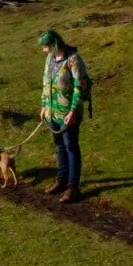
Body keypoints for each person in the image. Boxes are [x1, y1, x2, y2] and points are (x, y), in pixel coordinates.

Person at [37, 29, 87, 203]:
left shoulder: (74, 60)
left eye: (46, 46)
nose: (44, 50)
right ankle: (61, 179)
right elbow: (45, 83)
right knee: (59, 146)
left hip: (68, 113)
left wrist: (73, 111)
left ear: (55, 44)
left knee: (71, 146)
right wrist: (44, 105)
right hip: (52, 113)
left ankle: (73, 187)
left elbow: (79, 88)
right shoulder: (49, 59)